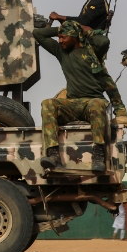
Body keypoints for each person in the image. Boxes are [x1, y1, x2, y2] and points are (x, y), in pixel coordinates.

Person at [49, 0, 127, 127]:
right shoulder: (90, 1)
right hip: (86, 46)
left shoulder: (98, 0)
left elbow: (83, 21)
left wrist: (59, 17)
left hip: (94, 46)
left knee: (101, 76)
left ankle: (120, 112)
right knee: (86, 76)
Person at [33, 21, 111, 171]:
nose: (59, 40)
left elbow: (104, 41)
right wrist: (61, 30)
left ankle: (98, 155)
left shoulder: (91, 50)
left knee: (97, 104)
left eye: (64, 37)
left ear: (74, 36)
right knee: (48, 103)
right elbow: (38, 34)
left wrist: (84, 30)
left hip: (92, 102)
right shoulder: (61, 51)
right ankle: (54, 154)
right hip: (73, 104)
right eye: (59, 37)